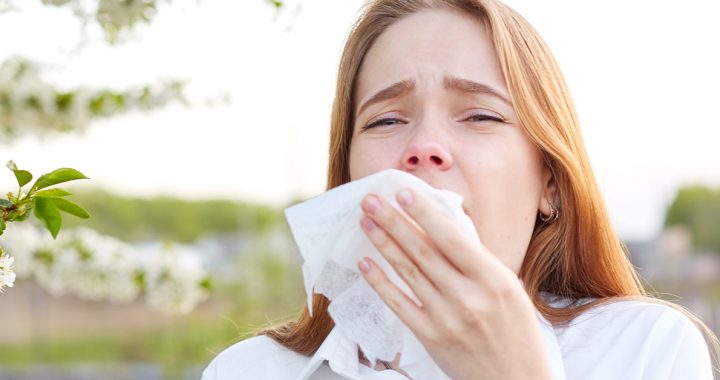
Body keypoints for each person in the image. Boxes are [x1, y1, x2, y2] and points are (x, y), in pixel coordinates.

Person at [202, 0, 719, 379]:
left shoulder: (647, 349)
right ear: (349, 178)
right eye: (385, 120)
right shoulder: (248, 371)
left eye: (479, 114)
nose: (424, 146)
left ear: (551, 185)